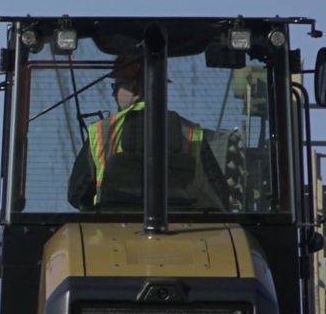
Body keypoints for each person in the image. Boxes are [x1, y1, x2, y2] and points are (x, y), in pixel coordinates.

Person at [67, 54, 230, 213]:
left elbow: (77, 194)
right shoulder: (192, 132)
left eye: (116, 87)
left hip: (111, 231)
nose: (113, 94)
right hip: (185, 231)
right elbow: (218, 194)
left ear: (134, 88)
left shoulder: (100, 131)